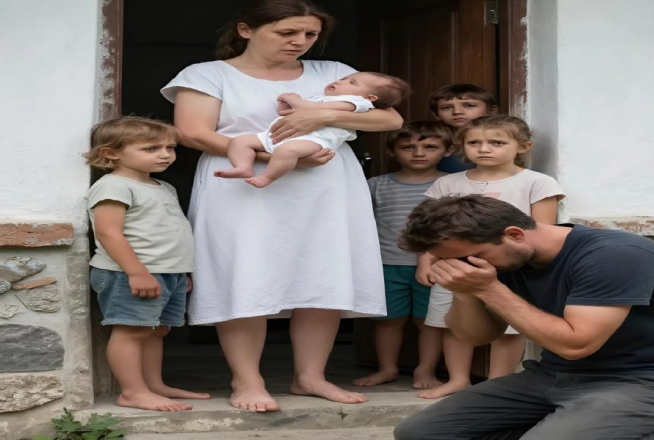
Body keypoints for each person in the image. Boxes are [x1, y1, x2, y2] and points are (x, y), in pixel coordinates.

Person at [160, 0, 402, 412]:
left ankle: (311, 377)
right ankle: (247, 381)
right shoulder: (207, 74)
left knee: (322, 274)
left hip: (325, 188)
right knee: (245, 273)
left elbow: (389, 119)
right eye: (287, 32)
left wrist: (316, 119)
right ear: (246, 30)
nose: (299, 41)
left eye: (310, 34)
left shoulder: (334, 72)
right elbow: (193, 133)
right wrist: (273, 156)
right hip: (241, 185)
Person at [394, 195, 654, 440]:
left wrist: (489, 288)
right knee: (419, 433)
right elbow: (477, 337)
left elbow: (576, 344)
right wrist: (466, 291)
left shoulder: (614, 256)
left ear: (514, 234)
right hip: (556, 375)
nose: (467, 266)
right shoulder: (502, 259)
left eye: (471, 257)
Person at [417, 115, 564, 399]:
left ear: (523, 146)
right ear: (462, 146)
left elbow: (541, 230)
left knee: (510, 327)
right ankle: (458, 379)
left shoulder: (537, 182)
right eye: (474, 142)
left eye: (497, 142)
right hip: (453, 266)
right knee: (453, 322)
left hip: (511, 268)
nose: (484, 149)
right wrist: (425, 260)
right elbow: (431, 227)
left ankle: (499, 383)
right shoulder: (447, 183)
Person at [84, 116, 211, 412]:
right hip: (128, 273)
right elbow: (108, 233)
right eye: (151, 148)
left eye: (170, 147)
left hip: (165, 273)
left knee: (156, 330)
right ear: (111, 153)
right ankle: (132, 392)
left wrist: (180, 270)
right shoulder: (113, 186)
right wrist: (137, 273)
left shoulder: (163, 186)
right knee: (132, 331)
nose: (165, 154)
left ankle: (153, 385)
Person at [352, 121, 452, 391]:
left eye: (430, 147)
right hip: (386, 264)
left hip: (436, 266)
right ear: (392, 151)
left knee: (429, 321)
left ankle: (425, 369)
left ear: (447, 150)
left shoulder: (450, 184)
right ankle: (387, 369)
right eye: (408, 147)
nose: (418, 153)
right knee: (388, 321)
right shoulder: (376, 185)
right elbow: (362, 224)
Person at [215, 72, 410, 187]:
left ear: (370, 98)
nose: (340, 81)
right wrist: (285, 105)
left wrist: (295, 99)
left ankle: (267, 177)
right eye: (344, 78)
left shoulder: (355, 103)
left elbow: (311, 109)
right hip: (278, 135)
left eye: (352, 83)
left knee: (287, 152)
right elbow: (289, 114)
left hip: (313, 141)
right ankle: (243, 166)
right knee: (240, 141)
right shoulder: (324, 99)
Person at [428, 83, 498, 174]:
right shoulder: (431, 142)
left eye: (469, 105)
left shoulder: (501, 140)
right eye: (446, 107)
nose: (457, 112)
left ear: (491, 110)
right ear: (436, 114)